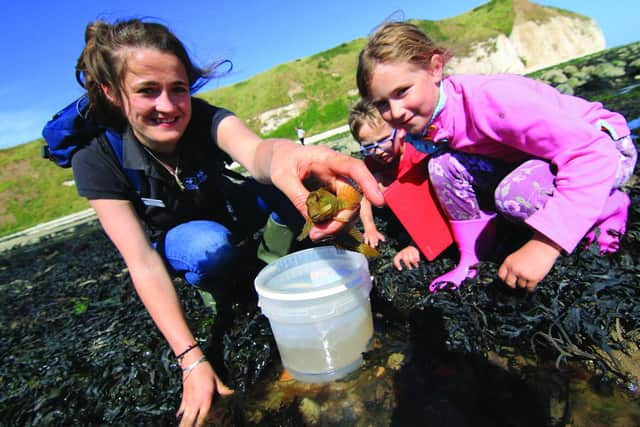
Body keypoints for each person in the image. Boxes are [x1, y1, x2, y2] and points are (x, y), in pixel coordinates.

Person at [69, 18, 383, 427]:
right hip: (186, 239)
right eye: (147, 91)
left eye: (178, 89)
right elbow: (140, 261)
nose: (168, 106)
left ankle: (272, 271)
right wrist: (191, 359)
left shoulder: (202, 117)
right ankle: (219, 290)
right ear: (112, 93)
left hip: (229, 209)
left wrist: (290, 156)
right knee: (207, 247)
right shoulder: (95, 159)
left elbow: (256, 153)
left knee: (292, 188)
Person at [356, 21, 637, 293]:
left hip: (605, 148)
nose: (396, 112)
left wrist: (545, 244)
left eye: (402, 92)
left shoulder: (490, 101)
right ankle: (475, 254)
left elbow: (591, 153)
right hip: (537, 157)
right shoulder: (427, 125)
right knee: (443, 166)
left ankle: (611, 207)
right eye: (382, 104)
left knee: (513, 195)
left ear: (435, 68)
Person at [348, 99, 423, 271]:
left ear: (399, 129)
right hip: (398, 202)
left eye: (384, 140)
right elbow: (362, 194)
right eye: (369, 146)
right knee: (375, 179)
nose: (379, 151)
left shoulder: (416, 152)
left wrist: (415, 245)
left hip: (421, 201)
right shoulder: (372, 161)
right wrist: (369, 228)